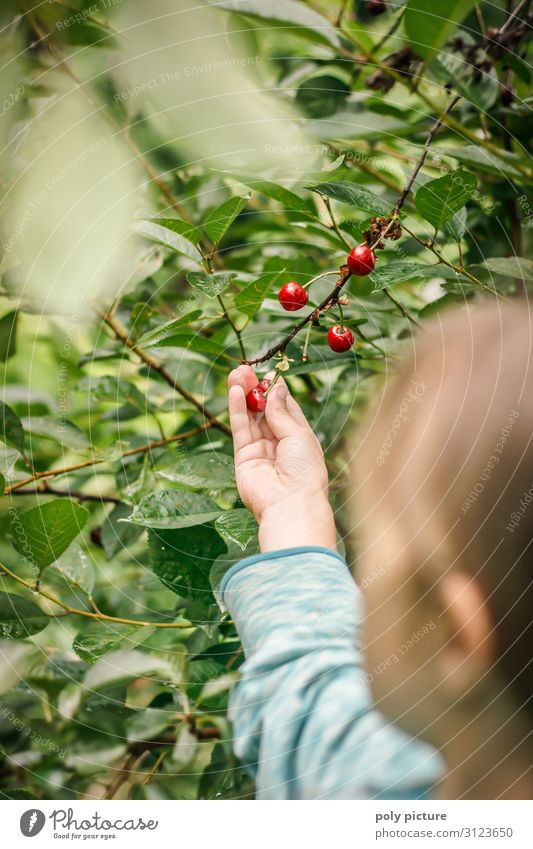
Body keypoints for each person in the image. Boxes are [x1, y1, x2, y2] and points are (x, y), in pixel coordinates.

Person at [223, 302, 533, 800]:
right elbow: (308, 696)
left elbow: (303, 708)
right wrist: (293, 508)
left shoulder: (358, 787)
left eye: (371, 554)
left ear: (453, 638)